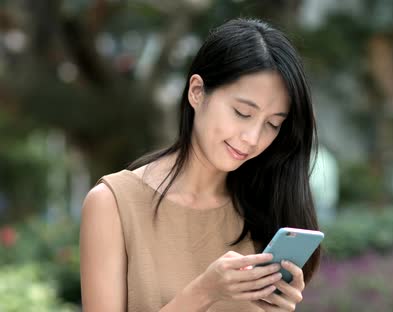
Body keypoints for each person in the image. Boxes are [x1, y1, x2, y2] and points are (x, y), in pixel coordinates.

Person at [79, 18, 321, 312]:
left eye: (272, 124)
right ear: (196, 91)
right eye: (242, 113)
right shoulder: (114, 204)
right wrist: (205, 292)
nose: (252, 138)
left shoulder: (266, 205)